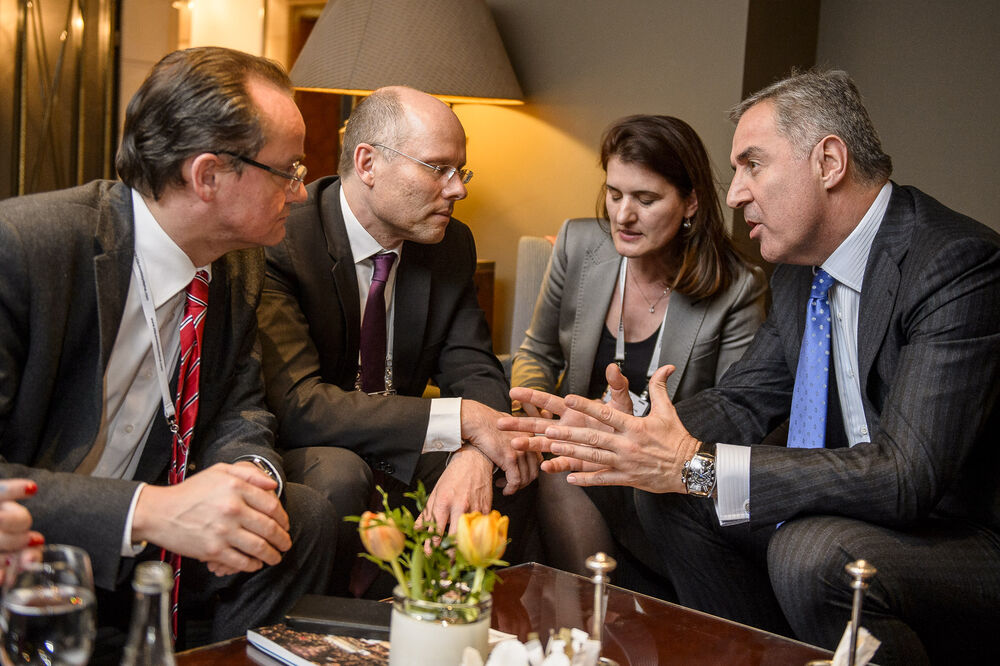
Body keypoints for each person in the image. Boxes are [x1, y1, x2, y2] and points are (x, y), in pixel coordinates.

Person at [500, 69, 1000, 665]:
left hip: (959, 532)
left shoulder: (956, 265)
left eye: (752, 165)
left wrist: (691, 464)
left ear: (829, 162)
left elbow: (904, 477)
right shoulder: (797, 270)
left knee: (810, 553)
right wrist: (634, 430)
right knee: (667, 494)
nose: (734, 193)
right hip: (850, 501)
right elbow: (742, 401)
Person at [0, 46, 334, 651]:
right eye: (287, 170)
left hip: (153, 535)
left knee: (296, 519)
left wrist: (249, 482)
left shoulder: (236, 265)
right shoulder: (25, 249)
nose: (301, 192)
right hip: (35, 533)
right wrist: (147, 510)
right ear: (207, 175)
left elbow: (242, 406)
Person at [256, 86, 537, 594]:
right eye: (437, 168)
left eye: (461, 171)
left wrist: (472, 452)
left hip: (400, 438)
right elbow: (298, 405)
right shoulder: (285, 240)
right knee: (339, 477)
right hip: (309, 444)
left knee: (510, 465)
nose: (458, 190)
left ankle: (441, 628)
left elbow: (475, 369)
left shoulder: (449, 244)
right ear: (367, 163)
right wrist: (462, 420)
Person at [510, 115, 766, 582]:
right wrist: (540, 410)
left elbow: (738, 417)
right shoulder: (577, 242)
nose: (622, 215)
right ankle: (588, 623)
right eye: (614, 194)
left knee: (563, 468)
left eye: (645, 200)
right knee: (549, 461)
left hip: (659, 476)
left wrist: (623, 431)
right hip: (572, 446)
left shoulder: (737, 289)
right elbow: (536, 353)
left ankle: (591, 625)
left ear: (690, 202)